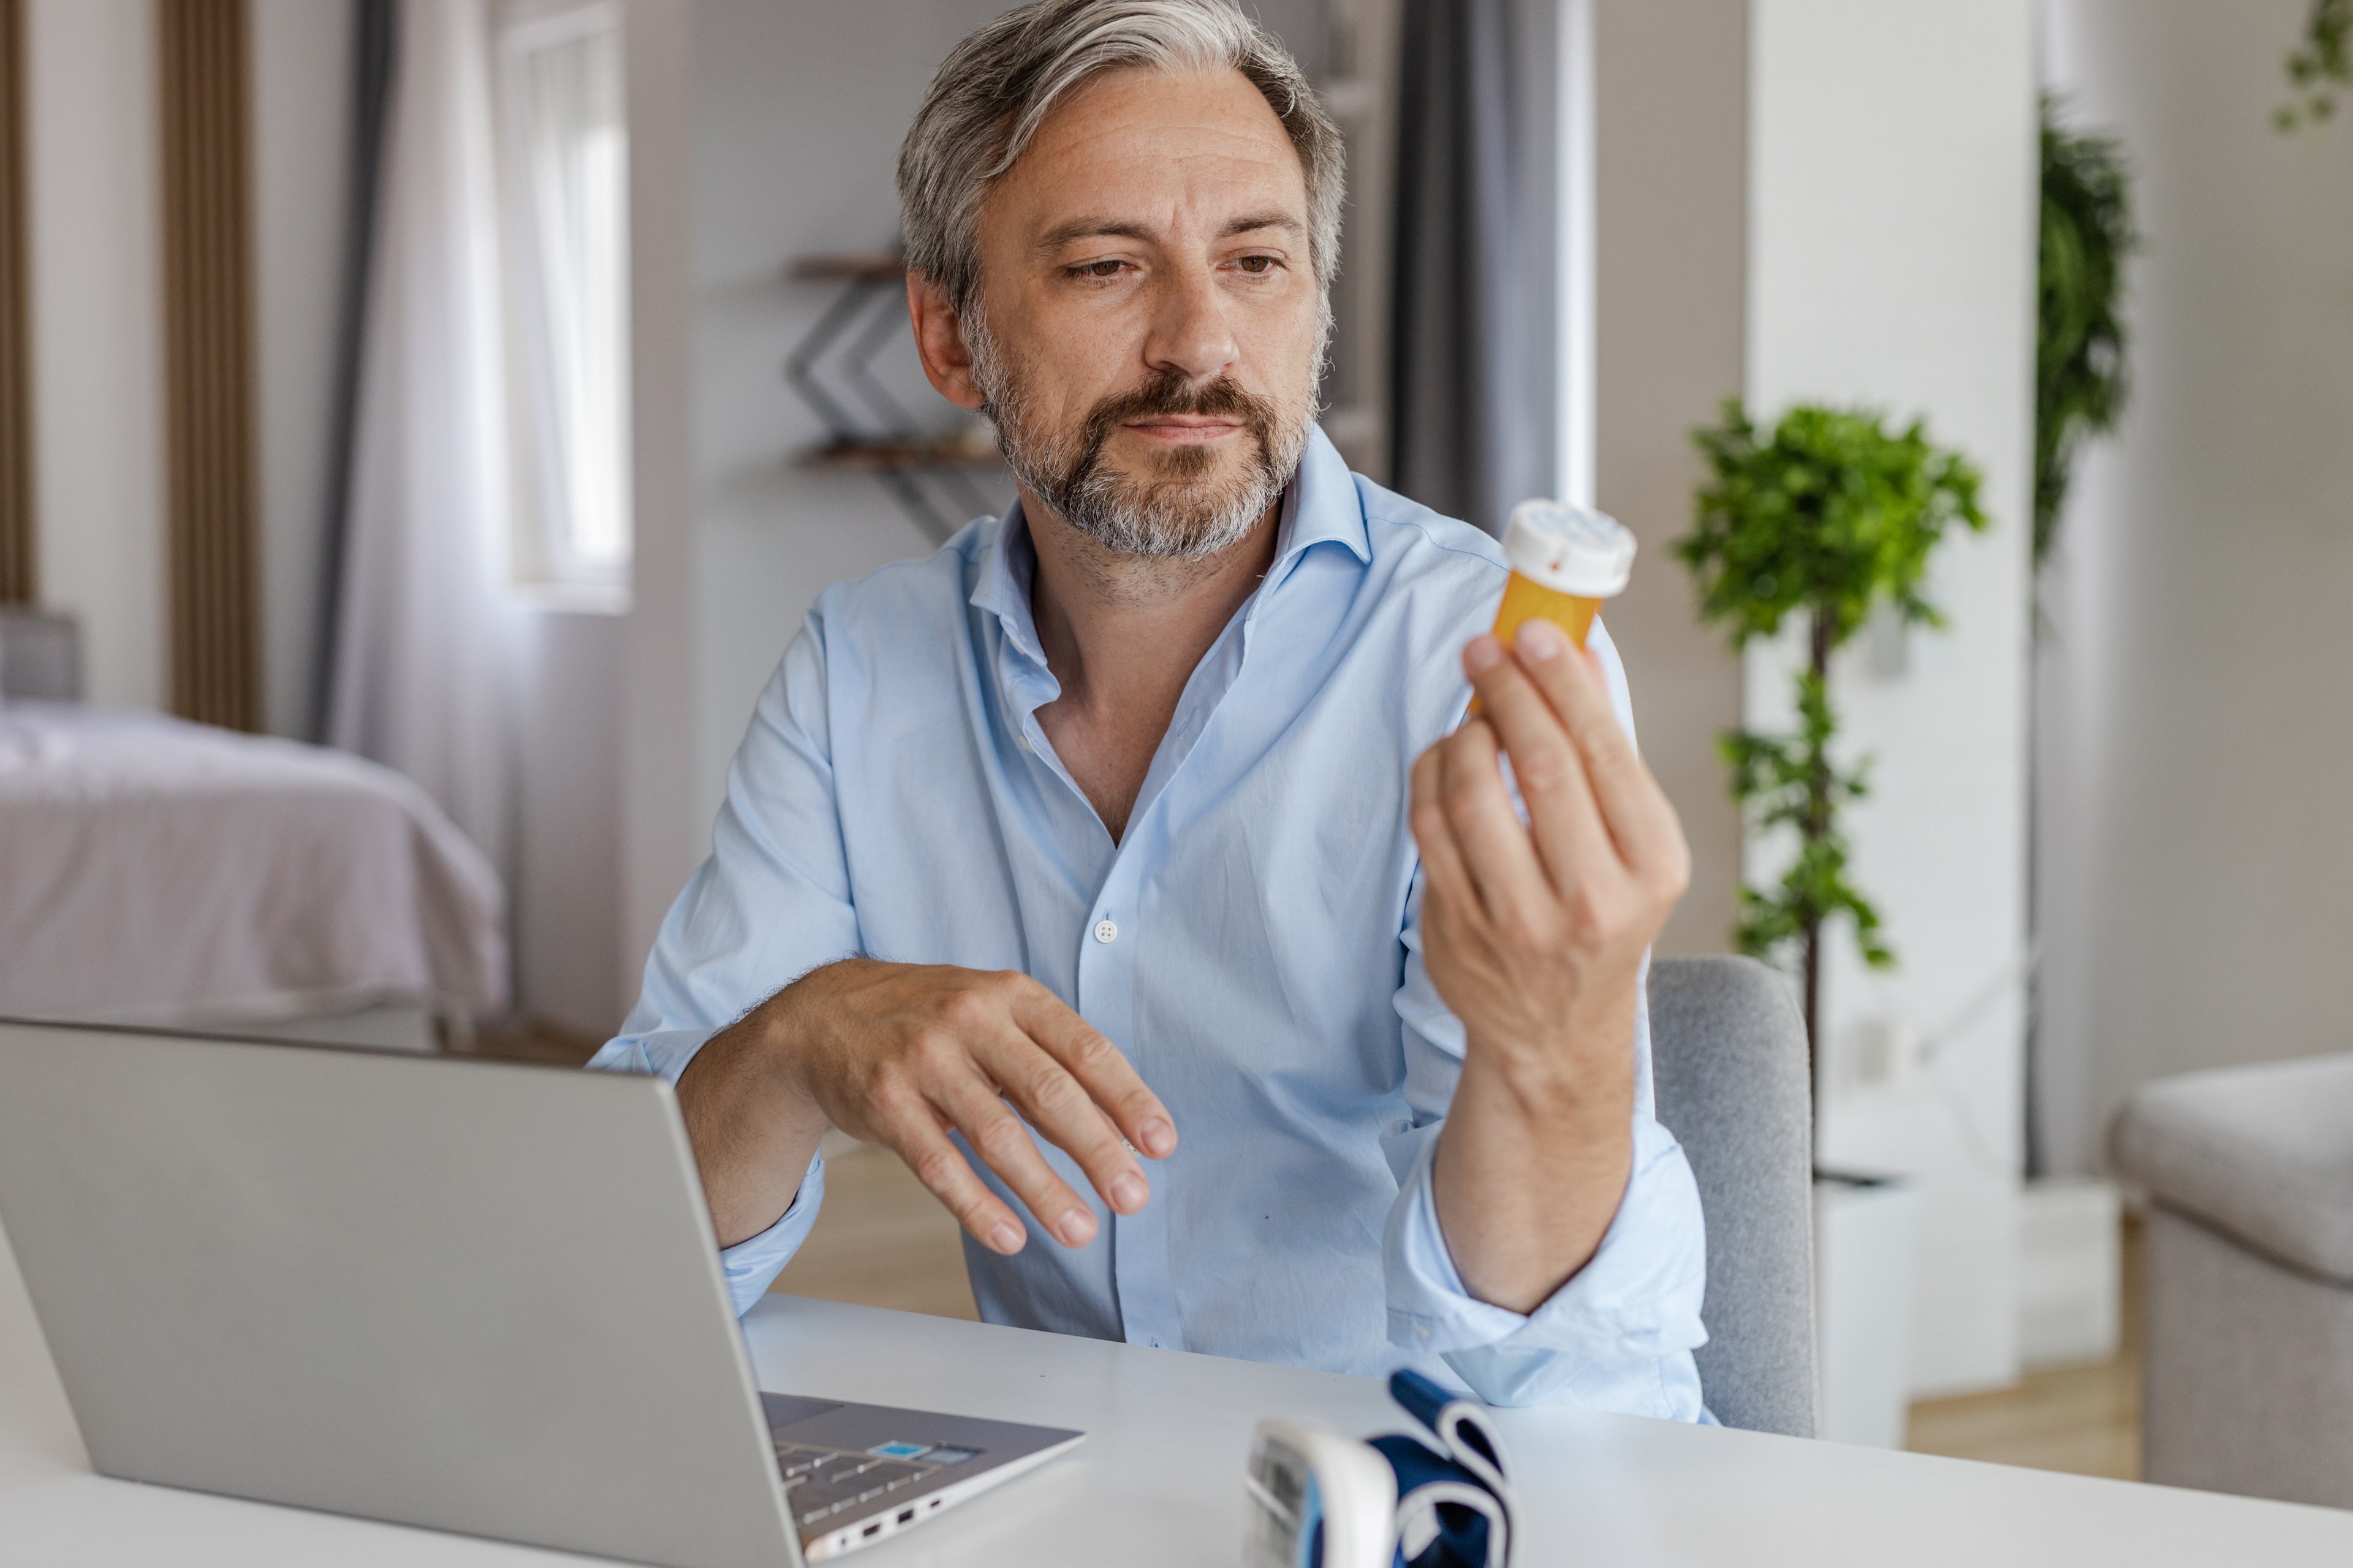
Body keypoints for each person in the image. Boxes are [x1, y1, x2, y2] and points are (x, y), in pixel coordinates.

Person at [591, 0, 1706, 1415]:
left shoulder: (1476, 661)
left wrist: (1561, 1043)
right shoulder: (859, 669)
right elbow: (629, 1234)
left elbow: (1553, 1361)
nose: (1201, 340)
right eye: (1109, 265)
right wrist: (794, 1039)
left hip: (1459, 1483)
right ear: (950, 335)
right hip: (1092, 1491)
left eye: (1257, 262)